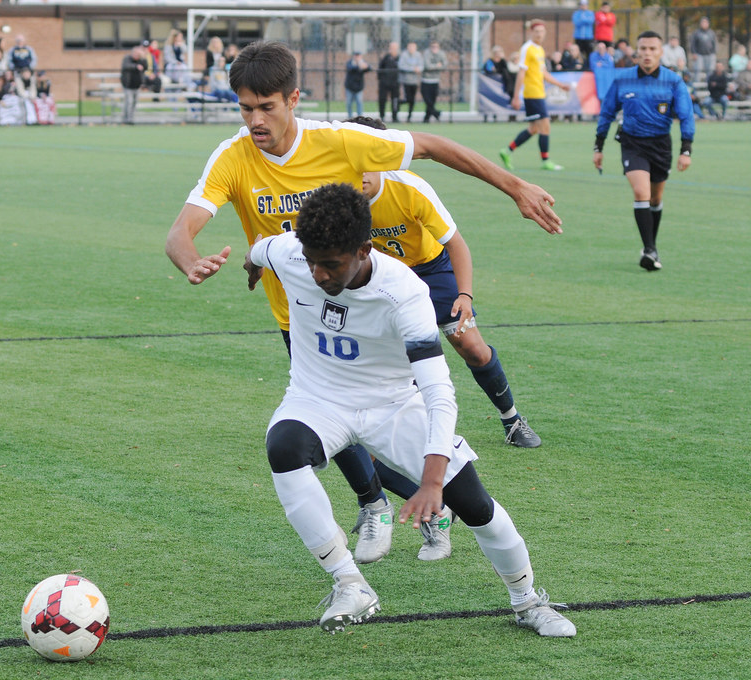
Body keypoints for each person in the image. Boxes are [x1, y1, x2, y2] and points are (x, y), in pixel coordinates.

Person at [165, 40, 563, 567]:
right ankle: (373, 503)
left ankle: (448, 486)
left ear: (293, 99)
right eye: (245, 108)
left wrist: (515, 186)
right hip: (300, 319)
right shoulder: (233, 156)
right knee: (325, 422)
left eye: (266, 107)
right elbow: (181, 231)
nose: (255, 120)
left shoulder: (342, 142)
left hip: (373, 308)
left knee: (399, 409)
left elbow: (434, 145)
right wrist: (191, 260)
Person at [241, 182, 576, 637]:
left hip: (393, 405)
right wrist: (252, 264)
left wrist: (433, 481)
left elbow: (439, 390)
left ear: (363, 249)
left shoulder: (404, 292)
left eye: (332, 264)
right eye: (313, 259)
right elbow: (262, 248)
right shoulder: (292, 253)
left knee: (477, 507)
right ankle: (349, 582)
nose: (318, 274)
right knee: (283, 447)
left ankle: (528, 602)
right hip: (316, 399)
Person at [352, 116, 542, 454]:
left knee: (472, 347)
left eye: (368, 162)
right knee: (396, 357)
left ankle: (512, 419)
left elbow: (457, 245)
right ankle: (401, 427)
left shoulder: (411, 189)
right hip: (386, 277)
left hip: (434, 269)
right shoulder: (340, 196)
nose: (360, 173)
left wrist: (465, 296)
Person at [593, 31, 695, 272]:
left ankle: (651, 246)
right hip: (632, 143)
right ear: (636, 52)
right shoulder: (622, 79)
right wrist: (599, 146)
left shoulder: (673, 81)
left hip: (661, 145)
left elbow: (686, 115)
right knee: (641, 192)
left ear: (661, 52)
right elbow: (607, 113)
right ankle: (649, 250)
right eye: (643, 49)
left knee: (656, 199)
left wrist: (686, 150)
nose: (647, 53)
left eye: (652, 49)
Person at [499, 21, 571, 171]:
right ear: (531, 32)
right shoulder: (527, 48)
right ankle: (545, 160)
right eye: (536, 31)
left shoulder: (540, 50)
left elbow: (543, 73)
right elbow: (521, 72)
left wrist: (560, 85)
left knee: (534, 128)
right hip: (532, 93)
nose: (539, 34)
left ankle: (507, 151)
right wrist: (516, 96)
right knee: (545, 126)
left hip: (539, 92)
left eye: (542, 31)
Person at [420, 40, 446, 123]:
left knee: (432, 101)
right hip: (426, 80)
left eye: (436, 47)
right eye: (433, 47)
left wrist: (436, 67)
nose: (434, 48)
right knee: (428, 100)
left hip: (435, 80)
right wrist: (437, 66)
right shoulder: (426, 54)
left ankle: (426, 118)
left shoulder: (441, 54)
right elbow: (427, 66)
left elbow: (444, 64)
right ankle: (436, 113)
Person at [120, 44, 145, 124]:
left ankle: (131, 118)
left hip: (137, 86)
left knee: (134, 103)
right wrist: (135, 66)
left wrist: (143, 56)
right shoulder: (127, 59)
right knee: (129, 102)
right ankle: (127, 119)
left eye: (139, 54)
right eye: (136, 54)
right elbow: (125, 66)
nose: (137, 56)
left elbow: (146, 67)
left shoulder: (141, 60)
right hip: (128, 85)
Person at [398, 41, 423, 122]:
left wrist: (418, 69)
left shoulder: (418, 55)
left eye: (413, 47)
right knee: (408, 98)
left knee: (412, 100)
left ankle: (409, 116)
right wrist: (412, 69)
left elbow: (421, 66)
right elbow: (401, 66)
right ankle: (398, 103)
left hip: (415, 81)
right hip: (406, 81)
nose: (411, 49)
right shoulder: (404, 55)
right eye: (410, 47)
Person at [377, 41, 401, 124]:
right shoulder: (386, 58)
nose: (393, 50)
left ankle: (395, 116)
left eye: (395, 48)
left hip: (395, 83)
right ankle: (382, 116)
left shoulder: (399, 58)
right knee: (382, 99)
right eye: (391, 48)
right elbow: (380, 69)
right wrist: (382, 80)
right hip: (384, 83)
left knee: (395, 99)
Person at [689, 16, 716, 82]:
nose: (704, 24)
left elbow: (714, 43)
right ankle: (697, 85)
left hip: (709, 54)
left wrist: (714, 53)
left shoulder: (711, 33)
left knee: (710, 71)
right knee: (698, 70)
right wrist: (694, 53)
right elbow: (693, 44)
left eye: (706, 22)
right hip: (699, 54)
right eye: (703, 22)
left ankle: (709, 84)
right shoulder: (696, 33)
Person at [344, 51, 370, 117]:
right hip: (350, 87)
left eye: (358, 56)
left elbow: (369, 68)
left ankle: (359, 117)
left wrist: (363, 65)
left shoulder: (362, 63)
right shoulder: (350, 63)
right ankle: (350, 117)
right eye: (356, 56)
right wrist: (358, 65)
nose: (357, 57)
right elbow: (350, 68)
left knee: (359, 103)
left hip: (359, 88)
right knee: (349, 103)